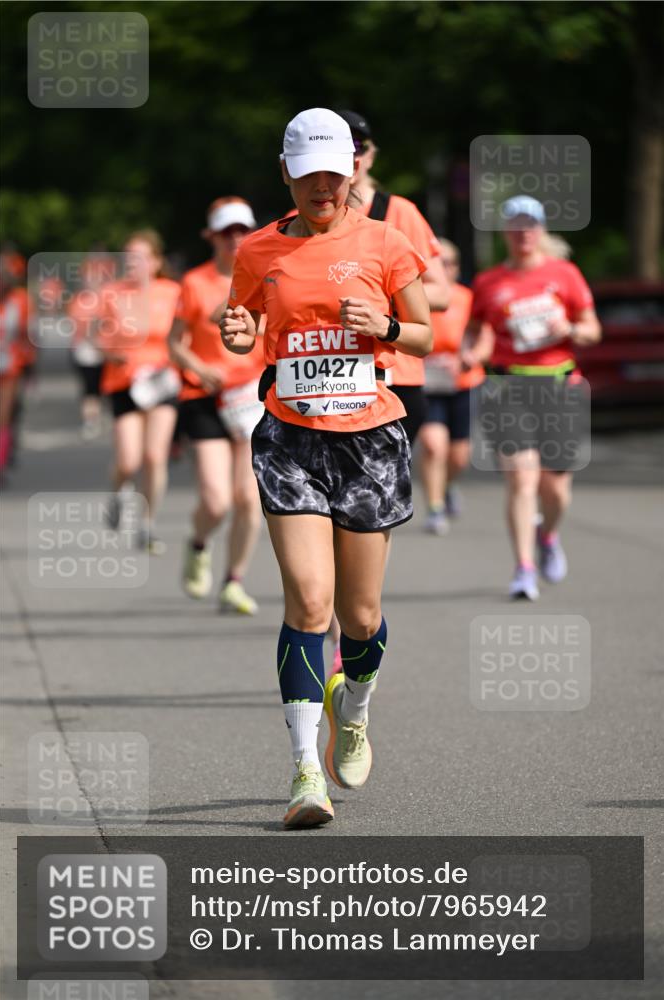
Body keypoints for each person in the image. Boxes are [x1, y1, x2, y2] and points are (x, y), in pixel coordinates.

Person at [220, 108, 431, 829]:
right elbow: (242, 328)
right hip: (290, 436)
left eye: (332, 174)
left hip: (370, 439)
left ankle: (356, 706)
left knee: (359, 616)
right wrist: (239, 332)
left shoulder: (385, 242)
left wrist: (389, 330)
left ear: (351, 173)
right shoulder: (256, 251)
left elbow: (432, 334)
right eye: (306, 173)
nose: (320, 186)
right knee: (309, 603)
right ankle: (305, 770)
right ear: (285, 172)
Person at [462, 196, 601, 599]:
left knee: (555, 489)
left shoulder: (565, 274)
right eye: (516, 225)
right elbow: (477, 330)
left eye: (531, 224)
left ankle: (548, 535)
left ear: (541, 229)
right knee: (521, 480)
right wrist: (471, 351)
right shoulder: (489, 283)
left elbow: (592, 329)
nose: (524, 232)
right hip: (509, 388)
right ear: (506, 231)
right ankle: (523, 568)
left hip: (559, 385)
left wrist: (570, 329)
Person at [168, 198, 263, 614]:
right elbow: (174, 343)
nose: (236, 239)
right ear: (212, 237)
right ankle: (199, 543)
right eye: (227, 232)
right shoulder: (194, 282)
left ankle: (234, 580)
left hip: (251, 395)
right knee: (216, 500)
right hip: (204, 398)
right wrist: (199, 368)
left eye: (243, 230)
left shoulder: (266, 277)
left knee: (248, 497)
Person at [338, 110, 449, 445]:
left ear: (369, 156)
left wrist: (379, 308)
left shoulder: (400, 212)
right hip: (324, 376)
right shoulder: (298, 219)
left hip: (394, 374)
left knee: (376, 490)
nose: (349, 157)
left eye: (356, 147)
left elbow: (442, 294)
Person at [98, 229, 181, 554]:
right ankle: (118, 493)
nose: (133, 264)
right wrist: (111, 351)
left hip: (161, 381)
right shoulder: (112, 294)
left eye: (141, 257)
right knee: (129, 460)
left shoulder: (172, 292)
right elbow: (97, 338)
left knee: (154, 456)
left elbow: (183, 335)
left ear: (156, 261)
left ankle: (147, 524)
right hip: (124, 382)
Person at [419, 238, 484, 535]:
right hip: (427, 382)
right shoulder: (416, 296)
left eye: (449, 263)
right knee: (433, 445)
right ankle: (434, 508)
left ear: (457, 268)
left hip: (462, 382)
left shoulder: (468, 298)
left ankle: (447, 485)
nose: (444, 268)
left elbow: (486, 336)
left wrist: (472, 356)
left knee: (459, 456)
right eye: (438, 262)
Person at [67, 254, 114, 440]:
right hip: (87, 351)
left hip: (106, 350)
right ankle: (91, 421)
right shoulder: (78, 301)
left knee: (106, 387)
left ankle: (105, 417)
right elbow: (81, 328)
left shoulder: (108, 298)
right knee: (90, 389)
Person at [0, 255, 33, 478]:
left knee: (4, 415)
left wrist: (30, 363)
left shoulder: (20, 299)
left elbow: (27, 332)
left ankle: (0, 462)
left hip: (10, 365)